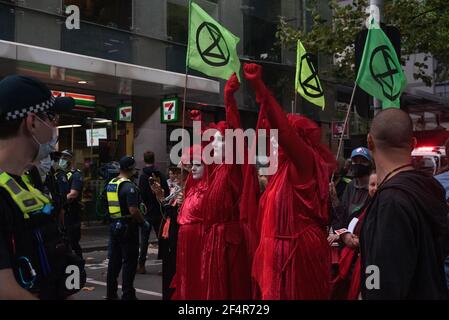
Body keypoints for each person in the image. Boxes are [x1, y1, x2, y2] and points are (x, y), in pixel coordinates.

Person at [244, 63, 337, 300]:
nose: (275, 143)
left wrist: (261, 89)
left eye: (278, 140)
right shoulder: (282, 171)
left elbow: (284, 132)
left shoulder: (303, 163)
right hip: (280, 253)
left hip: (299, 252)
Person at [0, 75, 86, 299]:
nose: (55, 128)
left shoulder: (26, 181)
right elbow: (5, 290)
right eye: (52, 117)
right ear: (32, 122)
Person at [361, 108, 449, 299]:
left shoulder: (390, 202)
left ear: (369, 142)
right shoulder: (431, 190)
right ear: (413, 143)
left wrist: (370, 291)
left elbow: (377, 273)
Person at [200, 74, 253, 300]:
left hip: (231, 243)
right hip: (215, 241)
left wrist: (229, 98)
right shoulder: (217, 169)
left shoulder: (234, 168)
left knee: (234, 291)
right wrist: (199, 123)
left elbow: (234, 129)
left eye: (221, 140)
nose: (216, 144)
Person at [106, 156, 149, 300]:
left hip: (114, 226)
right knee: (129, 262)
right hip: (127, 227)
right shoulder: (129, 187)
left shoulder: (112, 183)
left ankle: (111, 294)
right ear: (130, 168)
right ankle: (128, 294)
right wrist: (143, 223)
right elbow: (133, 210)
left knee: (114, 262)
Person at [331, 171, 377, 300]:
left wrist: (361, 241)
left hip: (372, 266)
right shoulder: (365, 207)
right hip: (352, 265)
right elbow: (343, 222)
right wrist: (344, 235)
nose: (375, 188)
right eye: (372, 184)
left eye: (378, 184)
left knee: (371, 293)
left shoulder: (384, 209)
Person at [170, 146, 209, 300]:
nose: (193, 168)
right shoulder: (191, 189)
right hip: (185, 242)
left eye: (198, 164)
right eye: (192, 164)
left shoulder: (209, 190)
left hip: (199, 241)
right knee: (186, 276)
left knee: (198, 276)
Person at [137, 150, 169, 274]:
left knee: (144, 240)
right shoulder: (160, 174)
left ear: (144, 160)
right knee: (162, 239)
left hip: (147, 212)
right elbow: (166, 191)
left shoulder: (143, 176)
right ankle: (165, 265)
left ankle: (141, 265)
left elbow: (141, 194)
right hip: (159, 211)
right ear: (154, 159)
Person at [331, 147, 372, 243]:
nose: (358, 164)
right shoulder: (350, 186)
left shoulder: (373, 187)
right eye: (355, 161)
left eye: (362, 161)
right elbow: (342, 214)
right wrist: (334, 199)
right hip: (348, 241)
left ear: (370, 164)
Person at [57, 149, 84, 259]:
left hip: (72, 214)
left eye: (65, 158)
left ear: (71, 160)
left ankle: (79, 263)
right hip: (64, 213)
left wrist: (59, 201)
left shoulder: (76, 175)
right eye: (61, 158)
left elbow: (73, 194)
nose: (62, 160)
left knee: (73, 242)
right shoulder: (61, 174)